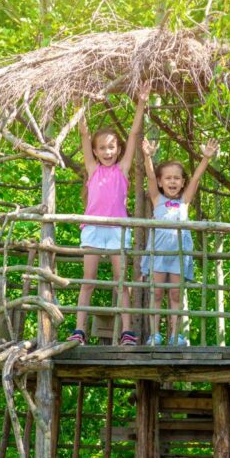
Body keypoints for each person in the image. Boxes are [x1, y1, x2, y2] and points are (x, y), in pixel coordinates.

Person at [67, 86, 149, 346]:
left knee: (121, 283)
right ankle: (79, 331)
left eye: (112, 147)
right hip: (92, 228)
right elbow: (84, 132)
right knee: (88, 281)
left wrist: (142, 104)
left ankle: (127, 332)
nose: (107, 152)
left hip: (117, 230)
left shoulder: (122, 170)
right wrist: (79, 106)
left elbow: (134, 134)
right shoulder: (92, 169)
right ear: (95, 151)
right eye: (102, 148)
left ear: (118, 148)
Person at [139, 137, 219, 346]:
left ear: (182, 182)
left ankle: (175, 335)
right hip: (158, 253)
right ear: (160, 181)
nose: (173, 182)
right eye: (168, 178)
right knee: (156, 293)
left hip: (179, 254)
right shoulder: (157, 199)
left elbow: (196, 179)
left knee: (175, 293)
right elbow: (148, 176)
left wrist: (205, 158)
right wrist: (148, 156)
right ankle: (155, 334)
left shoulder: (184, 201)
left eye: (177, 178)